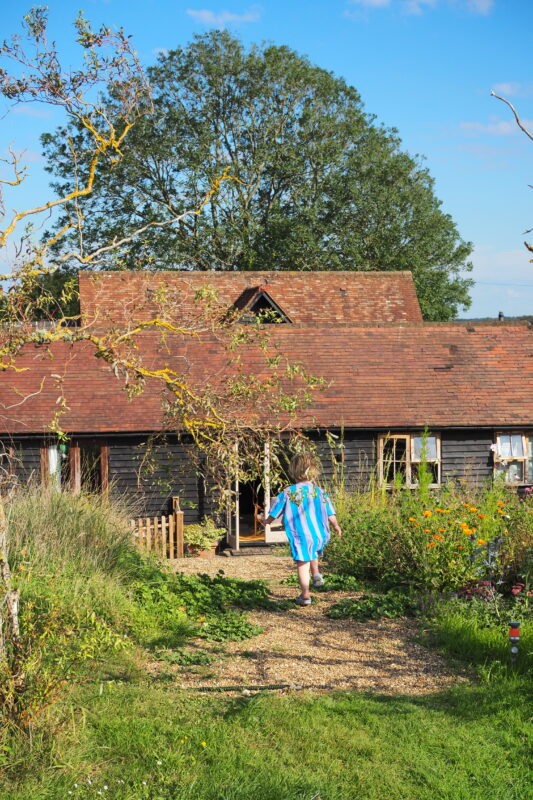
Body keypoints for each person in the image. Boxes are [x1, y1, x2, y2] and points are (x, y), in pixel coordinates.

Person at [261, 453, 342, 606]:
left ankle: (305, 595)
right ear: (313, 471)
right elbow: (330, 512)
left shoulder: (289, 492)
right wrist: (336, 526)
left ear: (293, 471)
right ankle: (316, 573)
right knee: (312, 552)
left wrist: (267, 521)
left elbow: (275, 511)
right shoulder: (319, 491)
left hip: (300, 534)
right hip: (319, 534)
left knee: (302, 562)